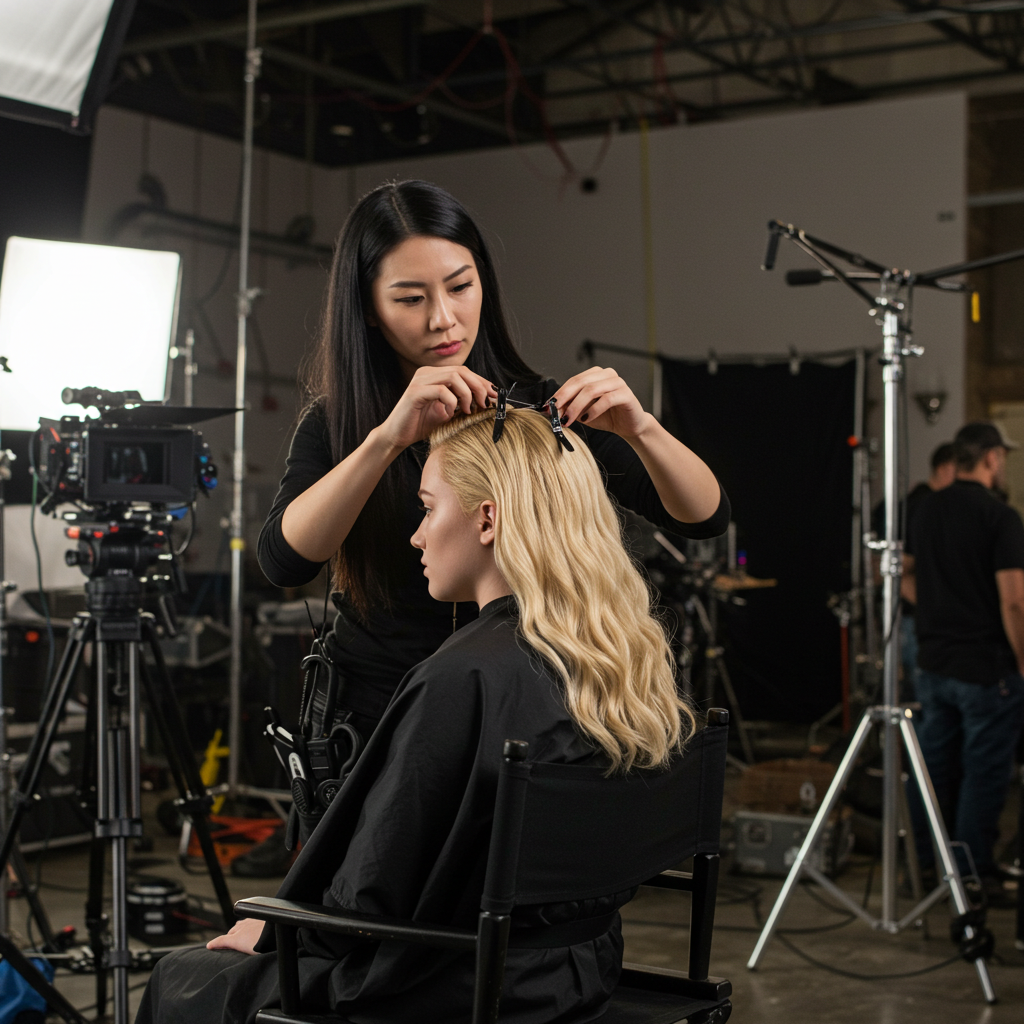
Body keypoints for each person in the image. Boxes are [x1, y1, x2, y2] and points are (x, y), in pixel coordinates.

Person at [137, 408, 699, 1024]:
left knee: (181, 978)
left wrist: (278, 935)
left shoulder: (464, 678)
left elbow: (372, 897)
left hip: (454, 985)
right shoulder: (620, 662)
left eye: (428, 509)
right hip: (580, 971)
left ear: (488, 518)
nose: (416, 536)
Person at [257, 180, 727, 835]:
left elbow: (704, 517)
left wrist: (641, 428)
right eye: (410, 298)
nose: (443, 317)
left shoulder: (539, 411)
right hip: (369, 722)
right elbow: (283, 561)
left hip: (514, 709)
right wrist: (387, 438)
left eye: (460, 286)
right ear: (367, 307)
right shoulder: (342, 426)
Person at [903, 422, 1024, 897]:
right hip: (984, 667)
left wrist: (935, 606)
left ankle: (926, 868)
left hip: (933, 662)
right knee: (984, 770)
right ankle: (972, 875)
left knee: (931, 768)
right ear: (992, 457)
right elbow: (1014, 601)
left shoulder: (927, 509)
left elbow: (904, 575)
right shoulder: (1000, 517)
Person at [893, 442, 956, 697]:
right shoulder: (923, 505)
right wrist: (933, 609)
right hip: (917, 621)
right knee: (923, 700)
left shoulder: (927, 503)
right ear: (943, 468)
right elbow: (901, 568)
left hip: (923, 621)